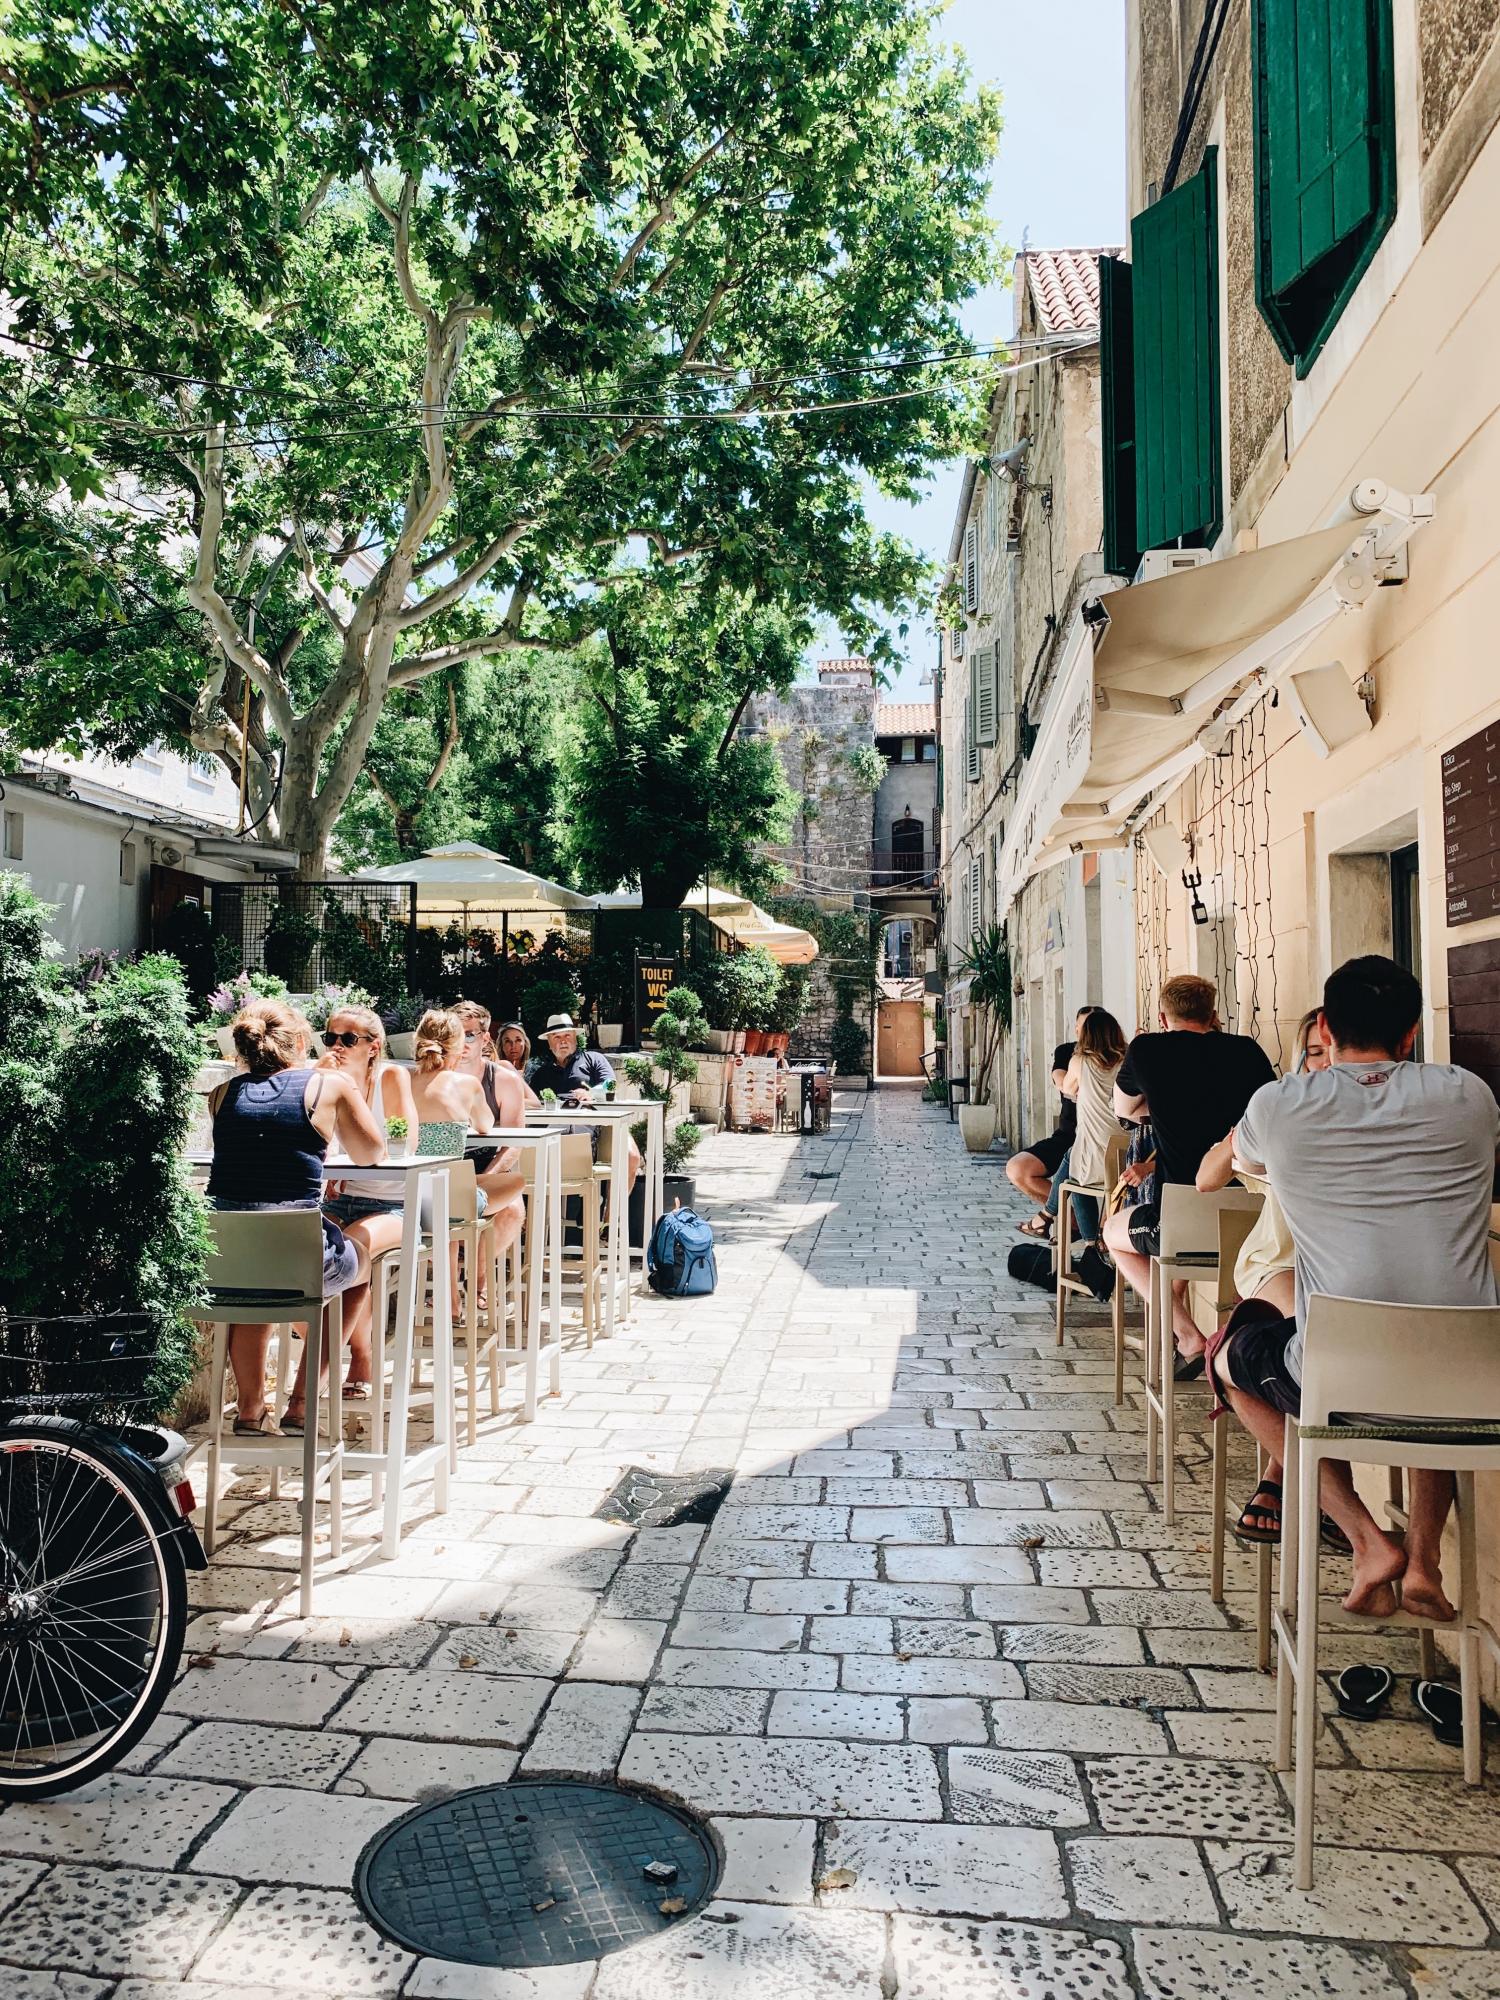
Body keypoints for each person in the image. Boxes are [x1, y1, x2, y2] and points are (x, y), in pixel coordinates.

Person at [1206, 954, 1500, 1620]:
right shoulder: (1469, 1094)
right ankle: (1424, 1561)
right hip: (1478, 1385)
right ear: (1411, 1033)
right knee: (1428, 1363)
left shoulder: (1279, 1105)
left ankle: (1368, 1541)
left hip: (1343, 1381)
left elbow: (1235, 1163)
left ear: (1327, 1029)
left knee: (1229, 1357)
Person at [206, 999, 385, 1436]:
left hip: (228, 1264)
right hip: (298, 1256)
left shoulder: (220, 1095)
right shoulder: (329, 1086)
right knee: (359, 1266)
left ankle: (250, 1410)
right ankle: (302, 1403)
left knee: (256, 1288)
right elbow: (370, 1153)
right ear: (302, 1042)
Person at [1197, 1009, 1329, 1542]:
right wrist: (1237, 1142)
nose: (1327, 1063)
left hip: (1344, 1277)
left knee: (1325, 1338)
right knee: (1313, 1333)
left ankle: (1293, 1478)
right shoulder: (1282, 1113)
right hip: (1279, 1263)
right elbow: (1207, 1178)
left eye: (1331, 1051)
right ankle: (1312, 1484)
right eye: (1315, 1053)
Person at [1101, 974, 1274, 1374]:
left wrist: (1160, 1104)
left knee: (1113, 1234)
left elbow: (1124, 1110)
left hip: (1179, 1223)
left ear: (1164, 1018)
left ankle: (1188, 1336)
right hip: (1249, 1224)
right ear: (1212, 1015)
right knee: (1172, 1257)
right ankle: (1194, 1342)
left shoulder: (1148, 1049)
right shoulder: (1247, 1051)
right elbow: (1269, 1111)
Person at [294, 1003, 419, 1421]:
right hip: (337, 1201)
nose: (338, 1046)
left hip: (393, 1203)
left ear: (373, 1046)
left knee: (348, 1253)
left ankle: (349, 1362)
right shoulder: (321, 1081)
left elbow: (406, 1144)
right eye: (330, 1037)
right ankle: (349, 1349)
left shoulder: (391, 1078)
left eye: (349, 1039)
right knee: (297, 1263)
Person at [528, 1011, 640, 1194]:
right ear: (549, 1043)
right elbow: (532, 1106)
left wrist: (592, 1093)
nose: (563, 1041)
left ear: (575, 1038)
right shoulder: (541, 1075)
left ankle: (609, 1213)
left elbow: (611, 1085)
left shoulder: (593, 1059)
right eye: (556, 1037)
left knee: (631, 1156)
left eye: (567, 1036)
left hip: (595, 1132)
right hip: (553, 1138)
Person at [451, 999, 527, 1258]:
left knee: (512, 1211)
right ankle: (442, 1278)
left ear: (485, 1038)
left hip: (488, 1166)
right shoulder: (434, 1078)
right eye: (454, 1034)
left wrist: (485, 1179)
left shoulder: (504, 1080)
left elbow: (513, 1144)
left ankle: (478, 1279)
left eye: (469, 1035)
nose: (461, 1042)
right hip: (444, 1169)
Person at [1011, 1007, 1094, 1238]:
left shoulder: (1117, 1056)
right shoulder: (1068, 1053)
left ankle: (1049, 1219)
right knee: (1019, 1169)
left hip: (1096, 1138)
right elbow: (1060, 1080)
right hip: (1068, 1135)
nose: (1090, 1032)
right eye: (1085, 1026)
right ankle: (1075, 1221)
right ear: (1076, 1029)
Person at [495, 1020, 543, 1107]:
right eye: (507, 1041)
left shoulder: (537, 1070)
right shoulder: (495, 1070)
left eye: (518, 1040)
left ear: (525, 1043)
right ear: (501, 1045)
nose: (513, 1046)